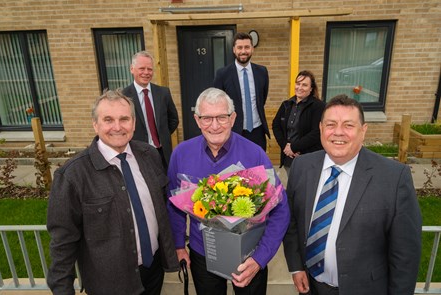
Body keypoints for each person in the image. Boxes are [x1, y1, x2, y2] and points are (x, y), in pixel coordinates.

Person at [283, 94, 422, 295]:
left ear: (363, 131)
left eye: (348, 125)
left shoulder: (394, 178)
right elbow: (292, 221)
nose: (338, 132)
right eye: (331, 124)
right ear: (321, 129)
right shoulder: (301, 166)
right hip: (311, 286)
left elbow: (406, 254)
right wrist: (296, 267)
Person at [47, 89, 179, 295]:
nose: (117, 127)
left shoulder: (149, 155)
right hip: (109, 284)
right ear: (95, 124)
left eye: (124, 119)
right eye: (108, 119)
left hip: (153, 272)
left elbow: (161, 208)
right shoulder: (73, 175)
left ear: (134, 124)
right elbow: (62, 242)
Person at [167, 87, 290, 295]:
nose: (214, 126)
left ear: (233, 118)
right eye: (207, 118)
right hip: (202, 253)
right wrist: (179, 245)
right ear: (197, 120)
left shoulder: (255, 154)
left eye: (222, 117)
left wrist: (260, 258)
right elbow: (173, 206)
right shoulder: (181, 154)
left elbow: (281, 209)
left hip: (249, 256)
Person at [213, 32, 269, 151]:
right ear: (234, 49)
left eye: (247, 47)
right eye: (240, 47)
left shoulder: (262, 72)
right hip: (233, 131)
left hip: (257, 131)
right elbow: (217, 104)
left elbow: (262, 99)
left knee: (257, 167)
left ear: (252, 49)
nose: (243, 51)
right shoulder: (223, 74)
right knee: (235, 168)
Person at [123, 50, 179, 170]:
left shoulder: (163, 92)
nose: (146, 72)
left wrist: (162, 134)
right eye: (142, 68)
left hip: (162, 152)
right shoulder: (123, 96)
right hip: (138, 153)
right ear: (132, 69)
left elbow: (173, 119)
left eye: (149, 69)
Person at [272, 70, 325, 174]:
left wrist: (294, 147)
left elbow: (316, 132)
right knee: (293, 188)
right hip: (289, 157)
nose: (300, 87)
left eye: (304, 85)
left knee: (308, 189)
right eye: (298, 83)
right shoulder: (286, 105)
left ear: (311, 89)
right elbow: (276, 126)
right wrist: (285, 147)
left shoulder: (318, 106)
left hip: (309, 158)